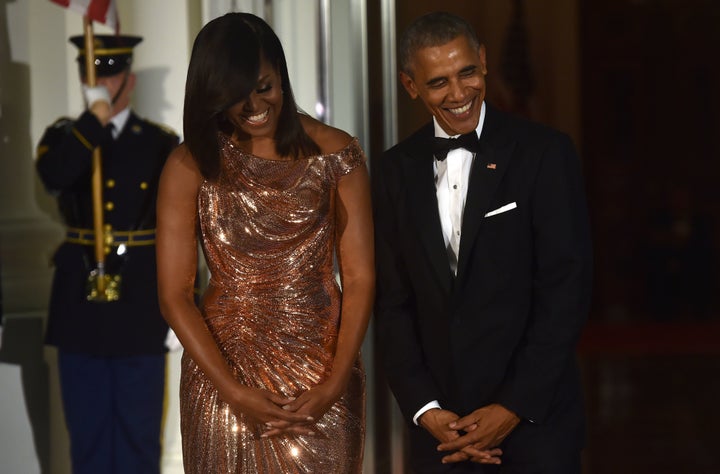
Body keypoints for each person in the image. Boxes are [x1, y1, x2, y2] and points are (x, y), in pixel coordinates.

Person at [372, 11, 593, 473]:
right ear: (410, 86)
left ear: (485, 62)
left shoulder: (545, 152)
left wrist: (512, 407)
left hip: (536, 426)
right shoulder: (393, 171)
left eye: (467, 72)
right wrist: (425, 409)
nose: (458, 93)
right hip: (440, 435)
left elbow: (566, 290)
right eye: (438, 82)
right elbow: (392, 304)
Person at [156, 12, 374, 473]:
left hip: (321, 377)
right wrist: (234, 393)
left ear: (282, 77)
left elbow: (359, 278)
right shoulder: (190, 164)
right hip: (223, 376)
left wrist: (333, 385)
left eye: (264, 86)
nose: (253, 104)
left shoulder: (337, 154)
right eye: (236, 94)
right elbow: (175, 295)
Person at [36, 34, 179, 473]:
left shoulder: (160, 144)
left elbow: (179, 227)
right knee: (89, 439)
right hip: (80, 308)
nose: (96, 80)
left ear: (129, 80)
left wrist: (183, 301)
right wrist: (92, 124)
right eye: (88, 71)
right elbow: (56, 176)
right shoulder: (65, 137)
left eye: (108, 71)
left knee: (139, 438)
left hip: (139, 305)